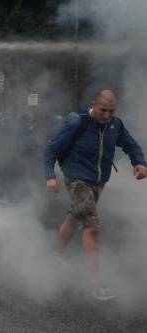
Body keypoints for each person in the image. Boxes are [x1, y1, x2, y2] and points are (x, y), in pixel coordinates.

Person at [44, 89, 147, 301]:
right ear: (93, 104)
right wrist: (50, 176)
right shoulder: (78, 123)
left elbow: (130, 145)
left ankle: (55, 254)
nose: (107, 115)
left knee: (74, 215)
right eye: (103, 110)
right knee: (91, 227)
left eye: (111, 111)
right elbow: (51, 150)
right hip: (76, 179)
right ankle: (98, 284)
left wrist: (139, 162)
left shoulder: (115, 125)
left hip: (98, 181)